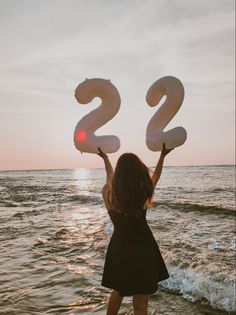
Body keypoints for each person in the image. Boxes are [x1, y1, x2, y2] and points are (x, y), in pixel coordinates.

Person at [97, 144, 173, 315]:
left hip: (120, 247)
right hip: (142, 246)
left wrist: (106, 158)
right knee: (141, 296)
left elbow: (109, 175)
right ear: (137, 171)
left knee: (118, 289)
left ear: (119, 173)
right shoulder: (142, 192)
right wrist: (162, 156)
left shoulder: (108, 193)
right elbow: (156, 176)